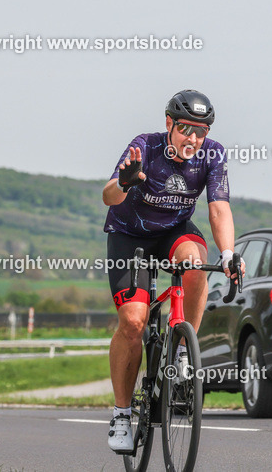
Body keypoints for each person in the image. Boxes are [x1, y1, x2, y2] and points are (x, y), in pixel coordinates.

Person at [102, 89, 244, 453]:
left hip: (172, 232)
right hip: (129, 235)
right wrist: (124, 182)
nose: (193, 139)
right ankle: (121, 414)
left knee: (196, 263)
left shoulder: (212, 154)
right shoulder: (145, 146)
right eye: (185, 130)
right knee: (133, 323)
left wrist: (228, 253)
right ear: (169, 124)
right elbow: (107, 196)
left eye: (201, 132)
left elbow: (218, 209)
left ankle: (182, 349)